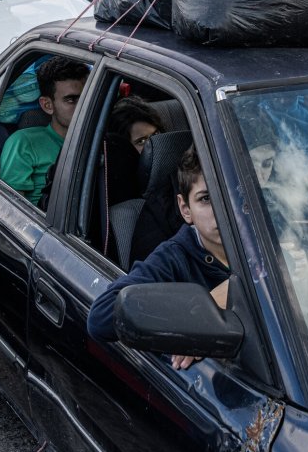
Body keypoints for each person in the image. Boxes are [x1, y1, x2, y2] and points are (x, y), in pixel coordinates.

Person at [87, 145, 230, 369]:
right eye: (206, 199)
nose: (223, 209)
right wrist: (198, 314)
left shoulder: (273, 242)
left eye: (230, 194)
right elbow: (101, 318)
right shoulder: (173, 257)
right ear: (185, 209)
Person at [0, 57, 90, 205]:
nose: (83, 107)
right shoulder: (24, 143)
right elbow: (12, 209)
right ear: (47, 105)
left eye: (87, 98)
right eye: (71, 100)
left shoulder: (104, 141)